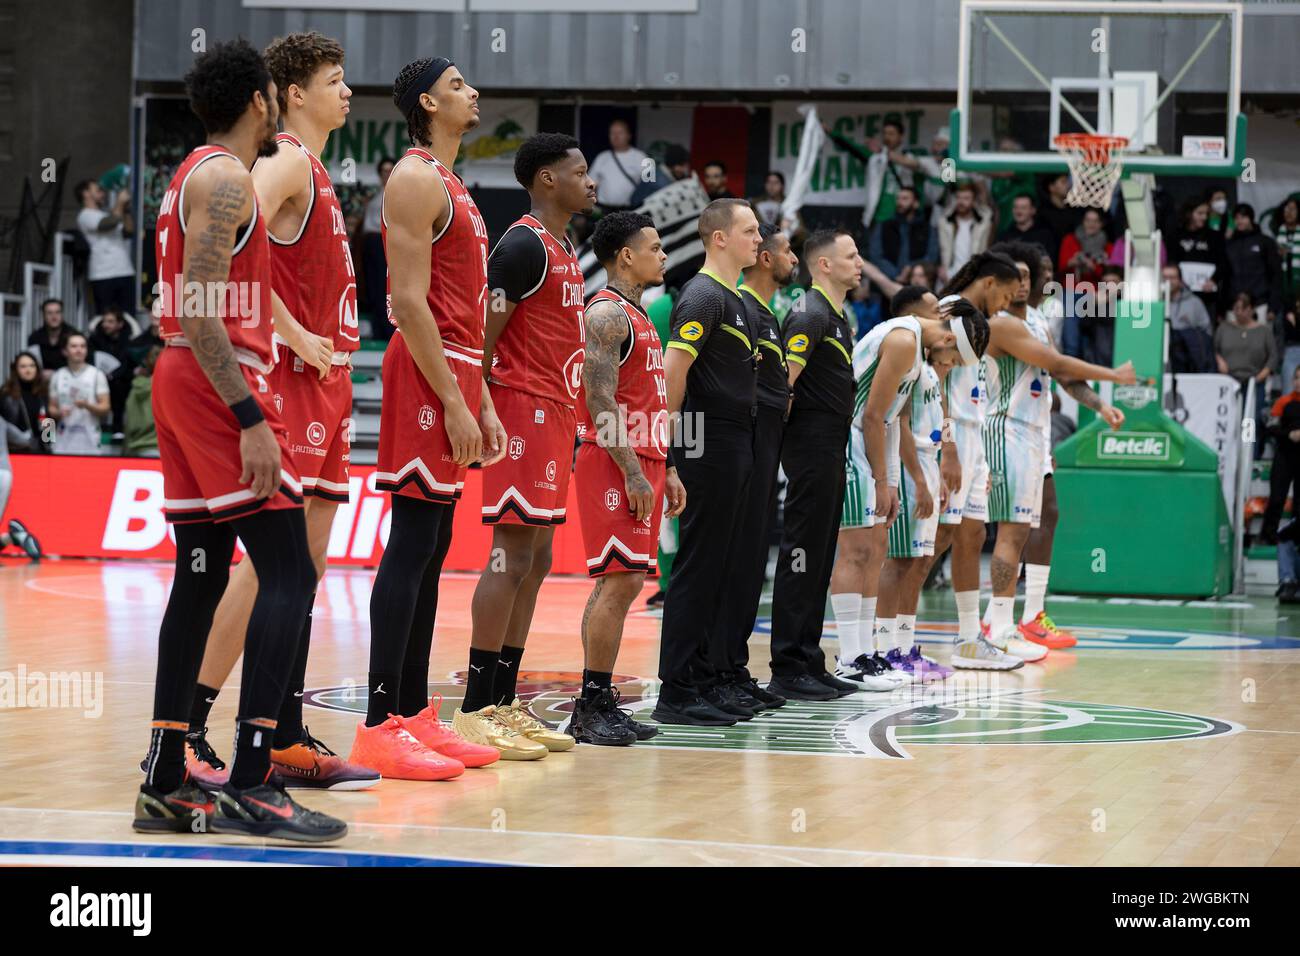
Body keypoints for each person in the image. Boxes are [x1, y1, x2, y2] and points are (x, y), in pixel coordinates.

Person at [136, 38, 344, 842]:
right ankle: (255, 779)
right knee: (289, 570)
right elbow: (199, 309)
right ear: (264, 100)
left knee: (200, 575)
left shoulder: (191, 174)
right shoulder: (225, 180)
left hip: (182, 380)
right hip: (216, 381)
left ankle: (163, 780)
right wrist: (251, 417)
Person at [176, 31, 382, 791]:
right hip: (291, 384)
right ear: (293, 95)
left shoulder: (318, 168)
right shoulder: (287, 159)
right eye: (335, 78)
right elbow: (234, 234)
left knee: (307, 572)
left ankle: (282, 733)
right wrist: (289, 331)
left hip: (325, 391)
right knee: (268, 572)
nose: (348, 91)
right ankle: (190, 727)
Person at [361, 57, 508, 776]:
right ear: (426, 101)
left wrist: (478, 398)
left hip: (454, 370)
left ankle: (415, 714)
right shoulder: (415, 176)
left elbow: (466, 309)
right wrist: (452, 395)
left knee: (435, 544)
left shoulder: (455, 184)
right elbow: (408, 302)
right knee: (412, 541)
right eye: (457, 85)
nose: (472, 92)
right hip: (424, 371)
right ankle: (378, 721)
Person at [460, 133, 595, 758]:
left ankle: (506, 700)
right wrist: (482, 403)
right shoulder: (519, 245)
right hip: (519, 407)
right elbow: (482, 334)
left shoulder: (566, 247)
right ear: (546, 179)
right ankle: (476, 707)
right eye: (579, 172)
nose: (589, 182)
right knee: (510, 556)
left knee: (537, 559)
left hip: (557, 412)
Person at [569, 212, 685, 744]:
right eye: (655, 247)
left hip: (646, 457)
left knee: (628, 581)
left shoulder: (639, 315)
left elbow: (650, 400)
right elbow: (599, 400)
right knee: (617, 582)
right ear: (625, 256)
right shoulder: (607, 315)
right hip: (615, 459)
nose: (663, 255)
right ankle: (591, 704)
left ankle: (598, 700)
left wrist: (669, 468)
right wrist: (635, 472)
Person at [984, 241, 1129, 650]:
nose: (1028, 282)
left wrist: (1100, 404)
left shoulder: (1038, 320)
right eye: (1020, 276)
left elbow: (1063, 377)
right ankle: (996, 623)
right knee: (1000, 531)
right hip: (1003, 429)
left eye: (1032, 275)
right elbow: (1060, 365)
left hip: (1034, 431)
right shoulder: (997, 322)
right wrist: (1114, 376)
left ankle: (1030, 615)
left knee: (1047, 513)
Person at [652, 198, 761, 725]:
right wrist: (670, 457)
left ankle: (707, 676)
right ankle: (675, 690)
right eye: (750, 231)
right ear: (719, 238)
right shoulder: (701, 295)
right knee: (697, 569)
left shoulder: (734, 297)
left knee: (722, 566)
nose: (758, 240)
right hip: (706, 442)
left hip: (736, 442)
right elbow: (673, 378)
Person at [767, 230, 868, 701]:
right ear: (823, 265)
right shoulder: (808, 314)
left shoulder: (835, 315)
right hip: (809, 448)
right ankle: (788, 664)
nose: (860, 262)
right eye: (850, 256)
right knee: (801, 553)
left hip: (830, 447)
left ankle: (809, 658)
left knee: (820, 555)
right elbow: (782, 385)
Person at [863, 288, 972, 684]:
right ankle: (887, 646)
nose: (939, 312)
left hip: (925, 464)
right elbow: (899, 422)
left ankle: (904, 645)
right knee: (900, 560)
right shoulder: (906, 350)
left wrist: (942, 466)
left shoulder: (928, 365)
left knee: (919, 560)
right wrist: (919, 481)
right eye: (933, 308)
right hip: (908, 466)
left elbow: (934, 417)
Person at [711, 222, 798, 710]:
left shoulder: (767, 313)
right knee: (731, 562)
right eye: (788, 251)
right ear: (765, 257)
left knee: (749, 566)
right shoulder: (738, 304)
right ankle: (715, 670)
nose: (794, 260)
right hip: (741, 443)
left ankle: (734, 667)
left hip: (765, 446)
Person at [925, 252, 1020, 666]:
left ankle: (968, 640)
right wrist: (948, 446)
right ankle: (888, 625)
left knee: (972, 535)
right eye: (1006, 294)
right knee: (937, 537)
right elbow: (937, 380)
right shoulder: (946, 312)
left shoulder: (979, 322)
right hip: (950, 435)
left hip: (974, 435)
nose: (1006, 304)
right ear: (988, 282)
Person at [1215, 291, 1276, 460]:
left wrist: (1262, 375)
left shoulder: (1263, 331)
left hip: (1253, 382)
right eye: (1236, 308)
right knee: (1229, 420)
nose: (1239, 312)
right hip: (1229, 382)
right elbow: (1214, 349)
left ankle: (1249, 458)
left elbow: (1272, 357)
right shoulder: (1224, 328)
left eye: (1242, 308)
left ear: (1251, 309)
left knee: (1249, 421)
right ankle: (1229, 457)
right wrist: (1219, 360)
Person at [75, 178, 136, 315]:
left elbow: (129, 231)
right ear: (86, 194)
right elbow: (107, 224)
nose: (103, 194)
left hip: (125, 271)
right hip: (102, 275)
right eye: (98, 190)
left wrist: (125, 210)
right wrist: (119, 203)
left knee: (128, 318)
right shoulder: (85, 215)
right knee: (106, 318)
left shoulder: (108, 213)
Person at [1057, 207, 1112, 358]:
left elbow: (1109, 276)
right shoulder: (1070, 240)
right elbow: (1061, 268)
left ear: (1101, 224)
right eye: (1088, 220)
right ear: (1083, 222)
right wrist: (1072, 262)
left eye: (1095, 221)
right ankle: (1071, 356)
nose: (1091, 224)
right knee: (1071, 331)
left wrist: (1092, 267)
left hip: (1095, 294)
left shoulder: (1107, 246)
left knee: (1092, 335)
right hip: (1071, 289)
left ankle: (1089, 362)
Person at [47, 332, 109, 455]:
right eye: (74, 346)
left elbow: (105, 408)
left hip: (90, 439)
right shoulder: (58, 376)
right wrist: (59, 413)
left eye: (82, 346)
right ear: (65, 351)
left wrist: (87, 405)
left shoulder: (97, 375)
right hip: (63, 440)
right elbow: (51, 408)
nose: (79, 350)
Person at [1224, 203, 1282, 325]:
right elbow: (1225, 276)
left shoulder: (1265, 242)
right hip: (1234, 306)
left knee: (1260, 343)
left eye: (1243, 217)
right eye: (1237, 218)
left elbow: (1275, 275)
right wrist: (1222, 307)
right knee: (1233, 344)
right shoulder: (1229, 245)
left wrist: (1273, 307)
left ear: (1251, 218)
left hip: (1260, 304)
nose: (1240, 221)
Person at [1172, 198, 1229, 322]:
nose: (1204, 217)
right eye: (1200, 213)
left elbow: (1223, 263)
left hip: (1207, 295)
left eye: (1206, 214)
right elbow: (1171, 261)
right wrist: (1177, 280)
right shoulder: (1175, 235)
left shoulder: (1215, 236)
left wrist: (1213, 280)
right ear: (1189, 214)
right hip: (1181, 293)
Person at [868, 185, 937, 285]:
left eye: (905, 199)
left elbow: (931, 256)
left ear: (916, 203)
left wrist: (911, 268)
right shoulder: (884, 226)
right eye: (898, 198)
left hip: (917, 282)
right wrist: (895, 274)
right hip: (887, 282)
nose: (900, 202)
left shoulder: (927, 229)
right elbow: (876, 255)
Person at [1261, 366, 1300, 543]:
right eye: (1297, 378)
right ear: (1292, 381)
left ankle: (1295, 538)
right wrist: (1289, 435)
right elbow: (1271, 427)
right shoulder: (1282, 402)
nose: (1299, 382)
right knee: (1277, 498)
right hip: (1284, 456)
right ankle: (1268, 535)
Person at [361, 157, 396, 342]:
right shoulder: (378, 194)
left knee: (384, 287)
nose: (387, 174)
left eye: (390, 170)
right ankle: (377, 329)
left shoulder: (396, 194)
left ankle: (386, 332)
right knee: (373, 288)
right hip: (370, 243)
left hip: (383, 242)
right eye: (384, 171)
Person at [89, 307, 135, 431]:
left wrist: (112, 375)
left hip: (120, 380)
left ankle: (117, 427)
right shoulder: (94, 340)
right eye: (104, 321)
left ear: (119, 324)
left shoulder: (128, 341)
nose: (105, 325)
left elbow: (126, 365)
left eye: (110, 322)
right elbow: (92, 360)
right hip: (97, 377)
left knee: (120, 385)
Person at [588, 118, 648, 212]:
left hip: (631, 211)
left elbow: (651, 186)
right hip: (605, 211)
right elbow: (590, 185)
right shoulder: (602, 157)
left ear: (629, 135)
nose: (616, 136)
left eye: (620, 133)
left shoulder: (641, 157)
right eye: (612, 133)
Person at [938, 181, 993, 282]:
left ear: (974, 201)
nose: (961, 202)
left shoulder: (983, 224)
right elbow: (940, 249)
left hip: (974, 275)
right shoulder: (945, 222)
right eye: (958, 198)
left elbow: (986, 250)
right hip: (948, 275)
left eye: (966, 198)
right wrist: (941, 268)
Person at [1165, 263, 1214, 374]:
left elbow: (1206, 331)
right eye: (1165, 277)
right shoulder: (1154, 302)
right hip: (1160, 357)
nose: (1168, 281)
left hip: (1188, 361)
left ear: (1180, 280)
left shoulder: (1194, 302)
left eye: (1172, 277)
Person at [1, 353, 51, 453]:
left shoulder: (43, 392)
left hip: (39, 451)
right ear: (16, 370)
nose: (28, 370)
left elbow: (49, 421)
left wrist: (48, 445)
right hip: (14, 450)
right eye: (23, 366)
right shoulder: (6, 394)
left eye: (32, 366)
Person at [996, 193, 1058, 260]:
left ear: (1033, 210)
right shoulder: (1004, 236)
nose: (1018, 211)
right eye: (1016, 207)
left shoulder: (1045, 235)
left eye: (1023, 208)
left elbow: (1051, 262)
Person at [124, 345, 161, 457]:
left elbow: (129, 423)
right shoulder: (169, 388)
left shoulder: (136, 389)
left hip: (136, 447)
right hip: (160, 448)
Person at [1038, 173, 1083, 254]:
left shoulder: (1075, 210)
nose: (1068, 185)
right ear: (1051, 187)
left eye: (1067, 181)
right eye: (1063, 182)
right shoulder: (1042, 214)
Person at [26, 299, 74, 376]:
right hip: (42, 381)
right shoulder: (35, 338)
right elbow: (30, 363)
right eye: (49, 313)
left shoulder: (73, 336)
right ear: (43, 315)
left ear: (62, 314)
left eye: (57, 312)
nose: (54, 317)